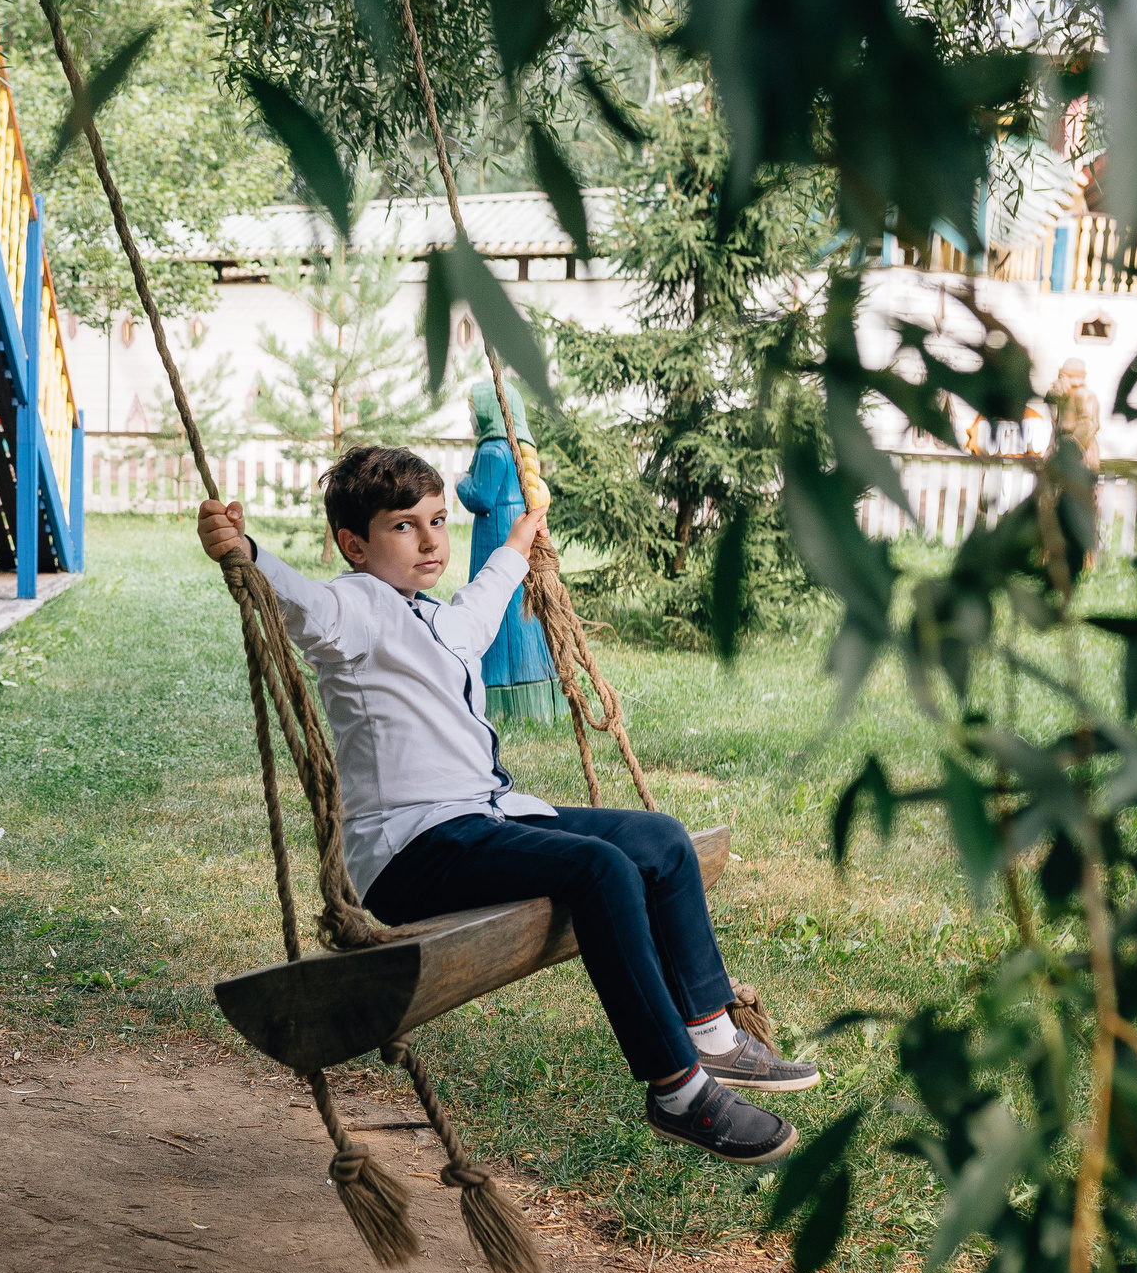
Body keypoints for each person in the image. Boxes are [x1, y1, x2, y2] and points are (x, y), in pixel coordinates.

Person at [197, 444, 817, 1165]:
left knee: (661, 841)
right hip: (412, 852)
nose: (432, 540)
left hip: (483, 819)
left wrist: (527, 531)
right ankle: (676, 1089)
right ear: (354, 544)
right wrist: (246, 552)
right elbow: (303, 604)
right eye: (405, 526)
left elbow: (487, 594)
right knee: (601, 870)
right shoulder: (358, 609)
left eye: (437, 519)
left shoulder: (438, 620)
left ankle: (711, 1032)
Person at [456, 379, 566, 723]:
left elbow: (481, 497)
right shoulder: (517, 450)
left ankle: (501, 692)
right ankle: (536, 687)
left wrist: (460, 480)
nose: (471, 421)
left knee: (497, 600)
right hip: (516, 524)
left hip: (499, 535)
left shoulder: (491, 451)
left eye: (473, 413)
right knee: (521, 606)